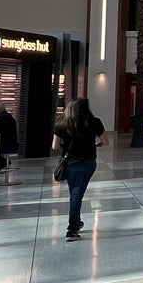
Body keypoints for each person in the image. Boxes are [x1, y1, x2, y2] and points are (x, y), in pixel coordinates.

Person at [53, 97, 108, 242]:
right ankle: (72, 229)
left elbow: (55, 146)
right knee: (77, 194)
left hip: (70, 163)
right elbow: (105, 142)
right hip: (88, 162)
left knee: (74, 192)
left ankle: (76, 223)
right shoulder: (94, 122)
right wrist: (95, 145)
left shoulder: (61, 123)